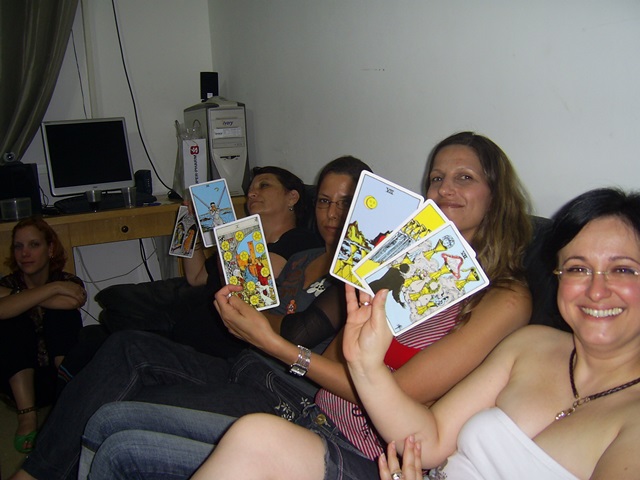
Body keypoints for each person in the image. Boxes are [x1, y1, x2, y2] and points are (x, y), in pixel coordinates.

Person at [82, 131, 534, 479]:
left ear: (496, 195)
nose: (445, 188)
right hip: (314, 414)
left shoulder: (505, 297)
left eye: (464, 177)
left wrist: (273, 344)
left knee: (123, 451)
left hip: (366, 455)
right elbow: (339, 360)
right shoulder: (403, 263)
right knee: (109, 420)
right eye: (436, 177)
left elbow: (396, 394)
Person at [197, 187, 640, 480]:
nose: (596, 289)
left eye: (622, 269)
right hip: (345, 428)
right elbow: (427, 442)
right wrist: (366, 364)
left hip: (353, 447)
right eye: (578, 268)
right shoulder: (533, 345)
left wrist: (274, 345)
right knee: (253, 435)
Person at [10, 155, 371, 480]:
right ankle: (35, 472)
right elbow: (247, 299)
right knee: (126, 345)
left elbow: (293, 331)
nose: (332, 213)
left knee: (121, 416)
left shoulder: (357, 274)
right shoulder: (304, 258)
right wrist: (197, 230)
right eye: (324, 201)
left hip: (278, 391)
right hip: (244, 363)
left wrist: (254, 317)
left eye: (345, 202)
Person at [95, 166, 322, 357]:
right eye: (250, 189)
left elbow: (247, 282)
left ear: (292, 197)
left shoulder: (300, 240)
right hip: (189, 335)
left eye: (264, 185)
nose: (252, 193)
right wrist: (191, 228)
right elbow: (195, 277)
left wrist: (220, 230)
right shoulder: (242, 241)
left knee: (124, 346)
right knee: (97, 340)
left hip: (224, 346)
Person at [0, 217, 86, 453]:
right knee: (11, 319)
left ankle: (69, 401)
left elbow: (73, 301)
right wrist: (52, 290)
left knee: (61, 316)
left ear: (50, 249)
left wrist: (19, 296)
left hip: (56, 378)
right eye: (18, 246)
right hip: (16, 381)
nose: (24, 253)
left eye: (34, 245)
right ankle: (27, 416)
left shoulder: (68, 281)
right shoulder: (8, 282)